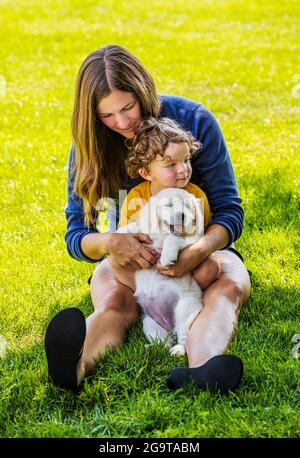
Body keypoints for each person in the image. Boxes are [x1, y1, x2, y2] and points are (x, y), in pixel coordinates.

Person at [45, 44, 251, 395]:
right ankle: (74, 367)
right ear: (93, 116)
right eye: (108, 115)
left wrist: (199, 250)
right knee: (114, 300)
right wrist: (110, 243)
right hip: (132, 260)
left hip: (200, 251)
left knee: (228, 285)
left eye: (128, 107)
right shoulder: (90, 148)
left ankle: (202, 368)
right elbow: (77, 235)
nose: (122, 122)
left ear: (144, 90)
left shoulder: (194, 120)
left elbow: (230, 211)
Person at [111, 116, 220, 293]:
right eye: (171, 164)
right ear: (146, 172)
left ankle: (182, 295)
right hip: (146, 264)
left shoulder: (195, 196)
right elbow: (126, 240)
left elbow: (198, 236)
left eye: (186, 159)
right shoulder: (136, 197)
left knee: (211, 268)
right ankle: (147, 296)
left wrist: (178, 248)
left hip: (182, 263)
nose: (183, 169)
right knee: (114, 263)